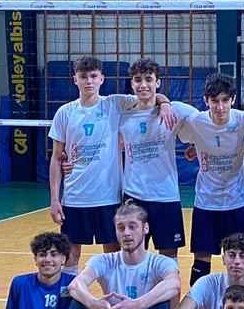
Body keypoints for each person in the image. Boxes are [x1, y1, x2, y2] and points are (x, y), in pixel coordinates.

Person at [48, 55, 175, 272]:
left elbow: (148, 93)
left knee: (114, 253)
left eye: (93, 76)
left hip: (109, 197)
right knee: (71, 255)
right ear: (75, 79)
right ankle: (70, 295)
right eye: (83, 76)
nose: (89, 81)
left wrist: (164, 103)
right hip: (75, 197)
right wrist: (54, 199)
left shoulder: (115, 104)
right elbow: (56, 158)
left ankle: (114, 294)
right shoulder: (65, 113)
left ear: (102, 79)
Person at [175, 73, 244, 292]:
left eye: (225, 100)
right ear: (206, 100)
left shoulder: (243, 119)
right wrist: (164, 103)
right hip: (206, 203)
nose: (220, 107)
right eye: (215, 101)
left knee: (243, 260)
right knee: (201, 261)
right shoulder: (196, 121)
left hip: (237, 202)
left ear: (233, 99)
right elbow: (171, 107)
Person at [118, 57, 200, 261]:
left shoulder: (176, 110)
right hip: (134, 195)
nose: (143, 85)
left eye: (148, 79)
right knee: (132, 253)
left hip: (165, 195)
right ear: (132, 83)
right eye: (138, 80)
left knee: (169, 255)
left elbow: (207, 125)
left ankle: (169, 285)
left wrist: (197, 145)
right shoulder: (122, 115)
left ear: (157, 83)